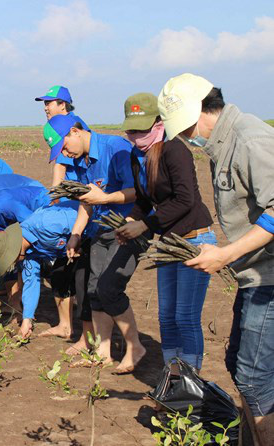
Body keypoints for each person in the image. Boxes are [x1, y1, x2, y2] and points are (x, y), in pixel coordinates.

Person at [158, 73, 274, 443]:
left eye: (187, 126)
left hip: (269, 277)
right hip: (253, 275)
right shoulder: (220, 144)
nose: (187, 136)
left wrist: (224, 254)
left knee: (254, 378)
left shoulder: (250, 139)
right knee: (239, 365)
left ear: (203, 110)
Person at [115, 92, 215, 372]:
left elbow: (186, 200)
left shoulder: (174, 149)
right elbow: (145, 201)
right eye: (132, 130)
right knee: (166, 317)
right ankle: (173, 377)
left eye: (143, 129)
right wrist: (129, 223)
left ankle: (190, 379)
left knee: (185, 316)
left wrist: (145, 225)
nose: (136, 135)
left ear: (159, 123)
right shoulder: (139, 157)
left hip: (194, 239)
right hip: (169, 242)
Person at [47, 113, 147, 373]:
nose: (65, 153)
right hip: (101, 230)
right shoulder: (81, 161)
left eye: (65, 145)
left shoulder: (117, 150)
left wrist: (105, 199)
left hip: (129, 226)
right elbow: (86, 201)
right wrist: (76, 234)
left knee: (109, 287)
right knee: (94, 289)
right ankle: (103, 352)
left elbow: (139, 191)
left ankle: (134, 345)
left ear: (76, 132)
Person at [0, 201, 79, 338]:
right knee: (58, 277)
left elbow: (85, 217)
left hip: (94, 233)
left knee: (89, 287)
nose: (13, 263)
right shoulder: (27, 253)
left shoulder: (46, 223)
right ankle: (65, 327)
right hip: (68, 251)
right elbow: (31, 282)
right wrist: (27, 320)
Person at [36, 85, 90, 185]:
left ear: (62, 105)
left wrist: (55, 194)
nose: (45, 108)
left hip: (76, 186)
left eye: (48, 103)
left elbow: (61, 165)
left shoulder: (69, 127)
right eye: (45, 104)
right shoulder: (65, 123)